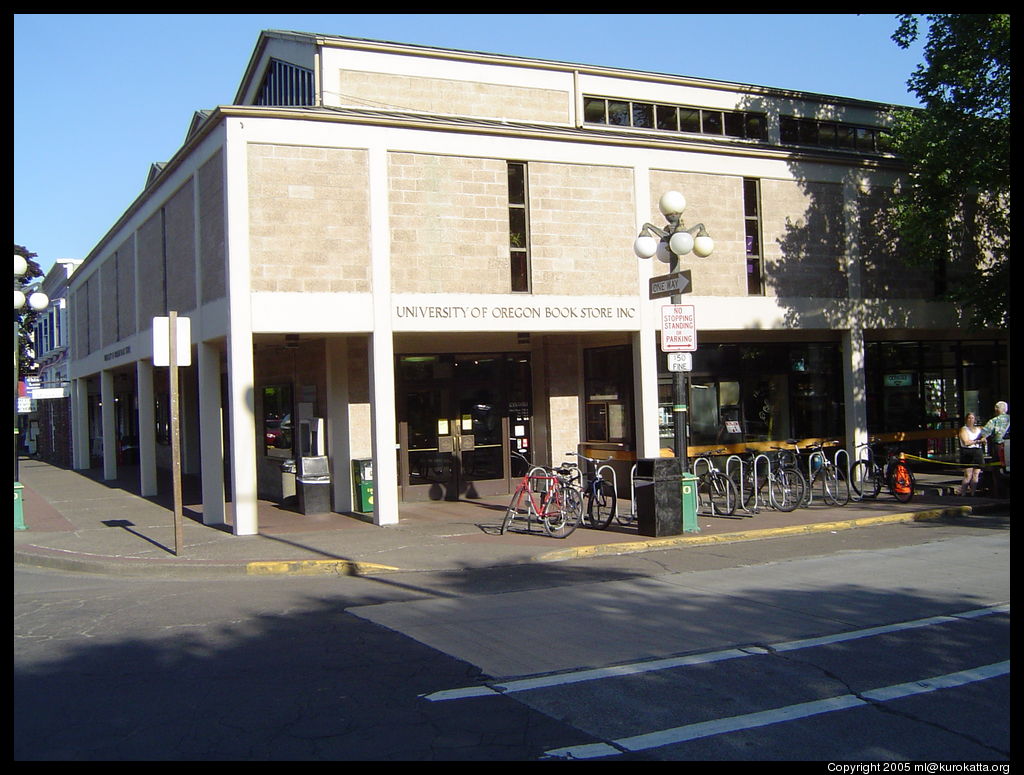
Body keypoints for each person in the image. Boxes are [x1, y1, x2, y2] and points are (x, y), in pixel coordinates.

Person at [958, 412, 985, 496]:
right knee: (968, 474)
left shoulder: (979, 429)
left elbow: (984, 438)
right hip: (968, 452)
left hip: (978, 451)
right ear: (966, 419)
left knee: (976, 474)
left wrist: (983, 440)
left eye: (972, 418)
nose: (971, 420)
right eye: (969, 418)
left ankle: (973, 493)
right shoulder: (963, 429)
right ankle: (963, 493)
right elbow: (966, 442)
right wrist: (977, 441)